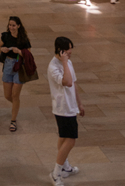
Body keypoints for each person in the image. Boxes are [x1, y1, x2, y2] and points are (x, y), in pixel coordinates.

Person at [47, 36, 84, 186]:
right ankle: (56, 173)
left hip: (71, 107)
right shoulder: (54, 66)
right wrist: (64, 62)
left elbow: (74, 84)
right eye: (67, 51)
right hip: (62, 109)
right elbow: (67, 82)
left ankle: (65, 167)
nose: (70, 53)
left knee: (63, 138)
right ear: (60, 50)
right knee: (70, 140)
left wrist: (79, 104)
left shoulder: (67, 62)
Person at [0, 15, 31, 132]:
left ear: (18, 26)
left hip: (19, 66)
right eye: (10, 25)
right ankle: (16, 107)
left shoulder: (23, 39)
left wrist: (20, 52)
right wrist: (2, 49)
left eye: (13, 25)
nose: (11, 27)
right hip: (8, 65)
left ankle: (13, 120)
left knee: (15, 95)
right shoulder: (5, 36)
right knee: (8, 95)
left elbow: (28, 54)